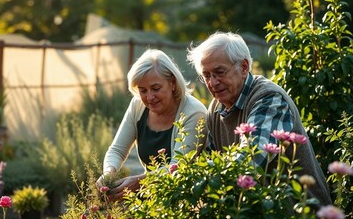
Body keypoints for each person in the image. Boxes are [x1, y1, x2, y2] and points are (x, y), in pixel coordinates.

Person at [186, 32, 332, 206]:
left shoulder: (269, 98)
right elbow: (210, 160)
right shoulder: (215, 109)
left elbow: (251, 160)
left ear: (244, 67)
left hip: (300, 211)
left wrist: (190, 177)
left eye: (219, 72)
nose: (213, 82)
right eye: (206, 75)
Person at [97, 49, 208, 201]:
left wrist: (139, 182)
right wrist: (108, 173)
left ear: (173, 83)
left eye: (156, 88)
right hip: (151, 199)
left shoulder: (193, 113)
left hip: (184, 202)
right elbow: (117, 150)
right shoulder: (138, 105)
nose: (149, 97)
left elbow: (178, 168)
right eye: (142, 90)